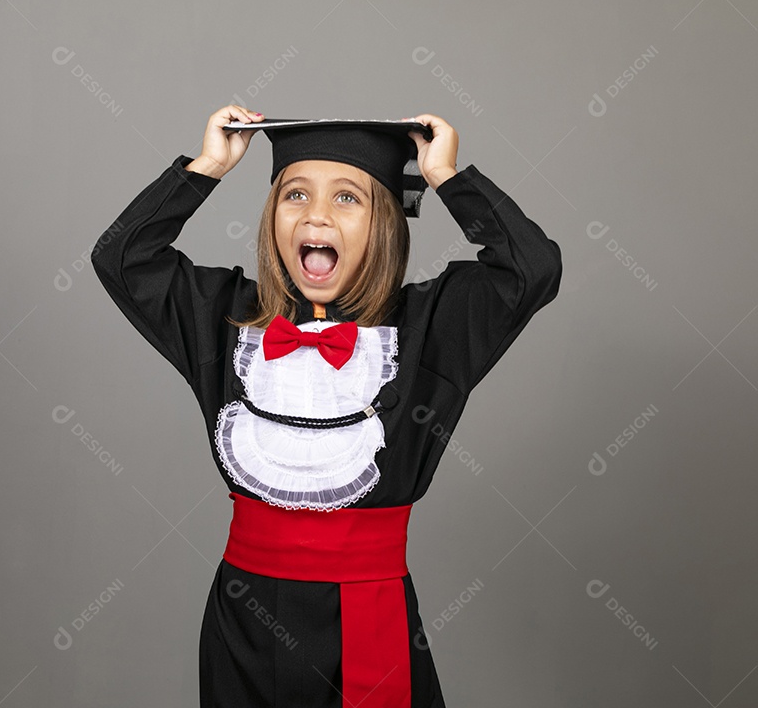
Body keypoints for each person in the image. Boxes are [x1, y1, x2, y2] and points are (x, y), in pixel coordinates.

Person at [91, 104, 563, 708]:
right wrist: (206, 167)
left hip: (371, 619)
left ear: (385, 222)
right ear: (272, 219)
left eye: (347, 198)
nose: (315, 214)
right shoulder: (224, 320)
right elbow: (121, 258)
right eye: (294, 195)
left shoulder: (431, 329)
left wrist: (445, 175)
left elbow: (533, 269)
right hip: (243, 627)